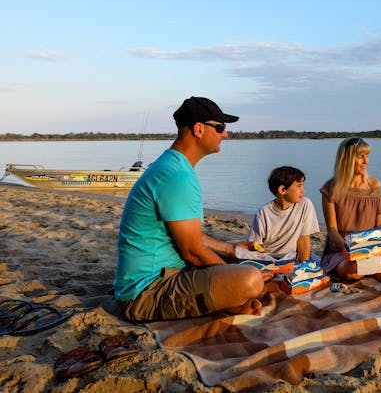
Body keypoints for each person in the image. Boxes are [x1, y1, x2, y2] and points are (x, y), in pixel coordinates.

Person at [114, 96, 265, 323]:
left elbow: (192, 236)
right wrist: (235, 294)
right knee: (250, 280)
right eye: (220, 127)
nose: (225, 134)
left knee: (242, 261)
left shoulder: (172, 166)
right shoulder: (176, 176)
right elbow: (192, 251)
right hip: (146, 293)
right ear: (198, 129)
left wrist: (231, 250)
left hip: (166, 275)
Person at [320, 137, 381, 281]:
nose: (366, 161)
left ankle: (370, 266)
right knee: (353, 272)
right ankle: (367, 267)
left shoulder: (374, 186)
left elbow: (379, 226)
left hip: (370, 247)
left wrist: (377, 247)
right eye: (360, 157)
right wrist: (347, 248)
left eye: (367, 156)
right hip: (342, 249)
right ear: (347, 160)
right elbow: (332, 230)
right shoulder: (331, 188)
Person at [246, 165, 320, 261]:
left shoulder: (305, 204)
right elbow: (255, 244)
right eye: (299, 186)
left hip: (292, 258)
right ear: (282, 190)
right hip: (268, 259)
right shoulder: (263, 213)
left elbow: (304, 239)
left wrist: (303, 266)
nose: (303, 190)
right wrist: (258, 249)